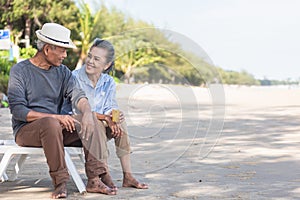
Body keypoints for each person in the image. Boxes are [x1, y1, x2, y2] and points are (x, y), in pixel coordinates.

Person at [7, 23, 117, 199]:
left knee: (91, 119)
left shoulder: (63, 72)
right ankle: (60, 182)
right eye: (62, 50)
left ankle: (95, 179)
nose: (65, 55)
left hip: (57, 129)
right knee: (51, 123)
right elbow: (19, 111)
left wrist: (87, 113)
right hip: (27, 131)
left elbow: (78, 95)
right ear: (48, 49)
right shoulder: (20, 71)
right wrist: (56, 117)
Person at [62, 38, 148, 190]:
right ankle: (104, 173)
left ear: (106, 65)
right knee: (98, 124)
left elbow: (110, 105)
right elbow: (79, 111)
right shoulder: (74, 78)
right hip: (76, 126)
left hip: (99, 124)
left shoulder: (108, 81)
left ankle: (127, 175)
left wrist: (114, 117)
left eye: (96, 59)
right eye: (89, 56)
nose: (90, 61)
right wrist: (105, 119)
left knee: (120, 121)